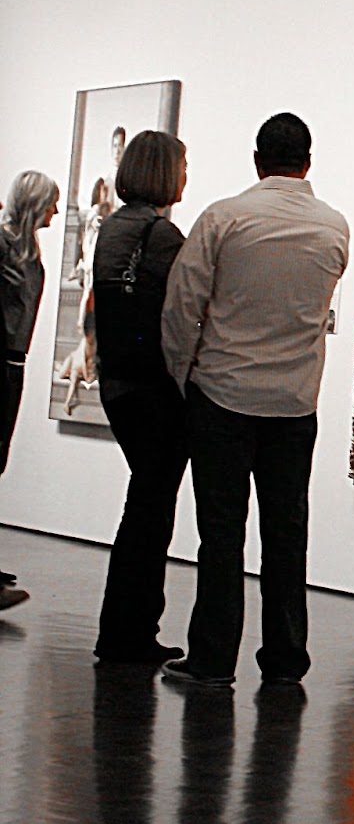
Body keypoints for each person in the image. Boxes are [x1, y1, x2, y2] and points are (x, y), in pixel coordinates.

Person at [158, 113, 349, 687]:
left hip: (222, 395)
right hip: (294, 404)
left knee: (221, 535)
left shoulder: (223, 218)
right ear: (308, 161)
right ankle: (287, 658)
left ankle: (214, 659)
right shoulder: (333, 227)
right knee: (287, 536)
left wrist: (183, 374)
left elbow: (180, 308)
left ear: (258, 159)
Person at [90, 130, 191, 663]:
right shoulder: (161, 235)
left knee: (143, 507)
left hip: (118, 386)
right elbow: (182, 316)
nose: (186, 175)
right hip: (154, 389)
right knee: (151, 513)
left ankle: (123, 630)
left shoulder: (112, 228)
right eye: (182, 164)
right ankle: (129, 633)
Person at [0, 170, 60, 609]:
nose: (57, 211)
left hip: (11, 364)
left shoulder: (25, 249)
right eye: (51, 203)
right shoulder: (4, 245)